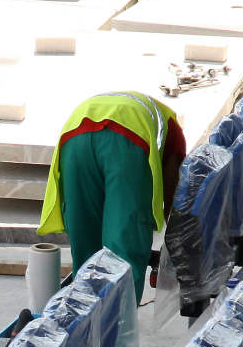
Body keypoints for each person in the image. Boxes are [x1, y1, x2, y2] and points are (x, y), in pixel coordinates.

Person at [37, 91, 187, 301]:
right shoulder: (171, 124)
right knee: (125, 242)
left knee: (85, 239)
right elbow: (175, 182)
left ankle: (81, 313)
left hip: (75, 135)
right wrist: (173, 232)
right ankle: (119, 324)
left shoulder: (148, 109)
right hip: (126, 140)